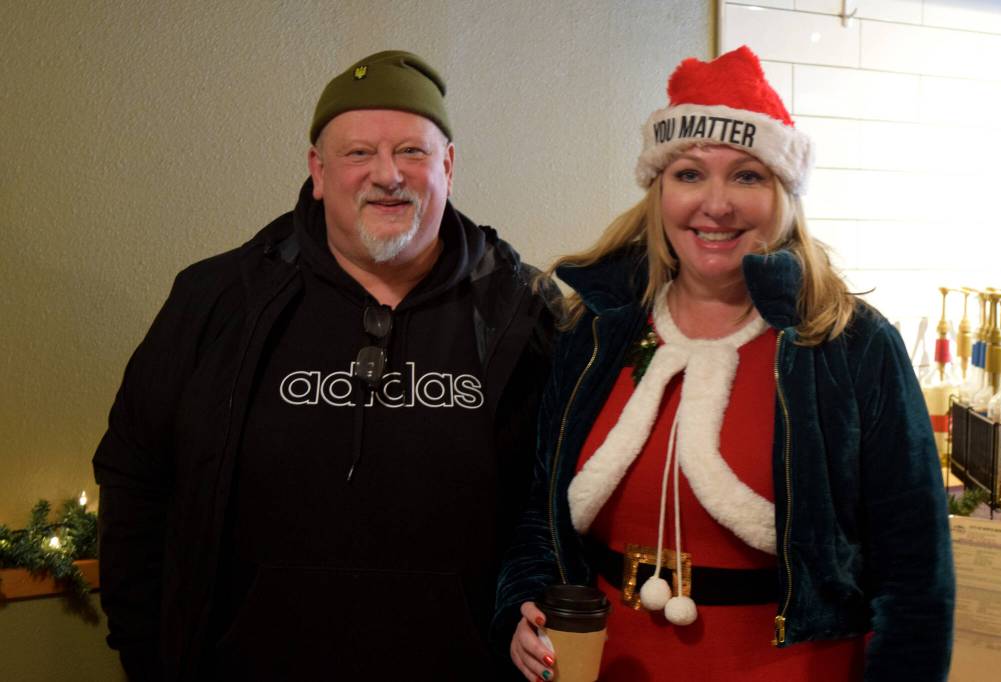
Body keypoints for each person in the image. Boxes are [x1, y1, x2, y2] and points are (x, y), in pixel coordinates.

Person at [93, 50, 558, 680]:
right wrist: (149, 655)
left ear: (448, 165)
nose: (387, 175)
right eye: (358, 153)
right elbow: (135, 477)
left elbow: (555, 503)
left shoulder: (526, 312)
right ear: (318, 170)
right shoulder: (217, 301)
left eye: (413, 152)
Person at [496, 46, 954, 681]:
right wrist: (522, 608)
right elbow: (538, 511)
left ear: (785, 193)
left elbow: (916, 576)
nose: (716, 204)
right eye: (688, 174)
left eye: (747, 176)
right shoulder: (596, 329)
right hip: (605, 663)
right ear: (659, 192)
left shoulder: (850, 345)